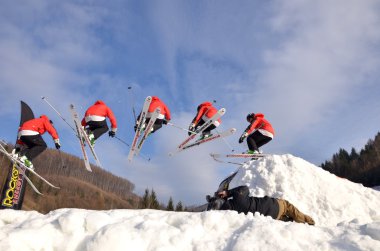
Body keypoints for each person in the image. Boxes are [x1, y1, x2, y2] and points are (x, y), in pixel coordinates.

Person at [208, 185, 315, 225]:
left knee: (288, 221)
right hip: (276, 205)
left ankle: (295, 223)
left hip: (273, 217)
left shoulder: (232, 212)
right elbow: (245, 188)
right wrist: (228, 192)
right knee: (289, 208)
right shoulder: (237, 199)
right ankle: (309, 222)